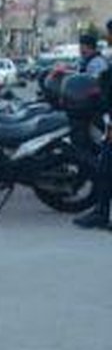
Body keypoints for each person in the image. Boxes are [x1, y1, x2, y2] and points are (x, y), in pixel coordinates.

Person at [74, 23, 112, 229]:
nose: (108, 37)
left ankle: (102, 213)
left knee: (105, 168)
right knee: (105, 168)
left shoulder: (99, 62)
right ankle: (101, 212)